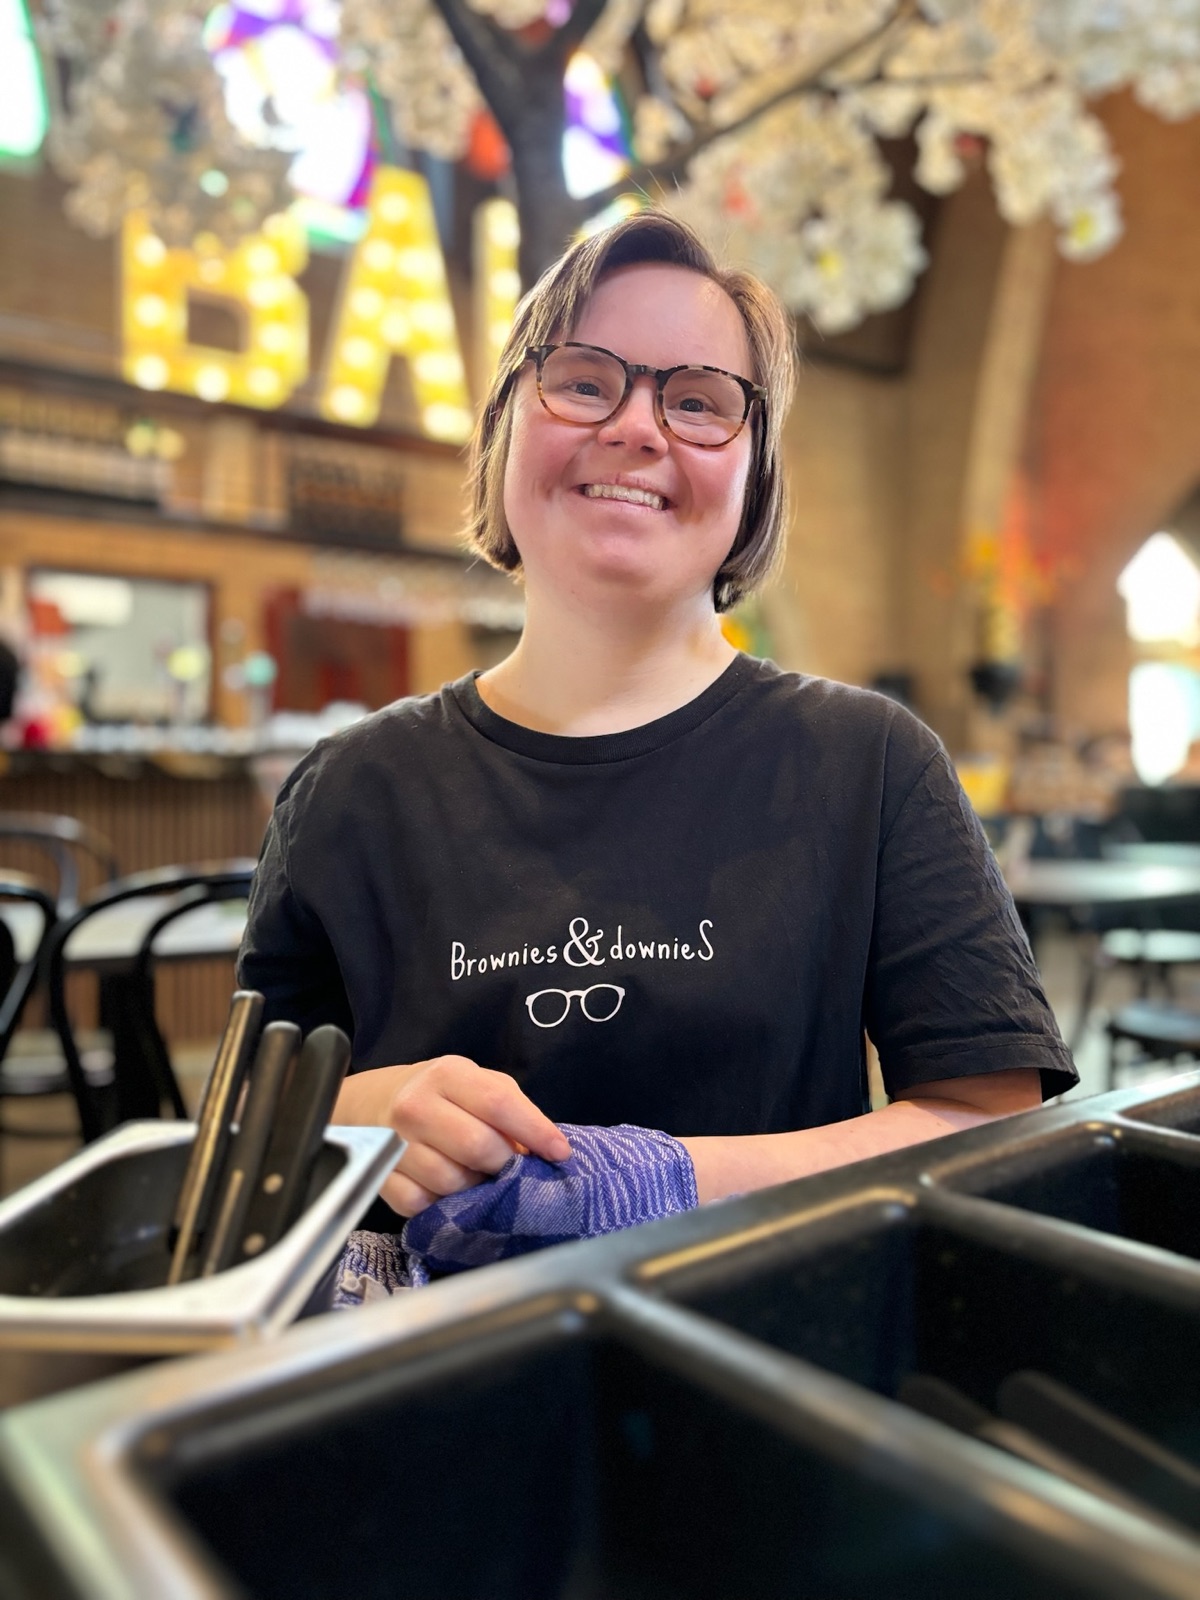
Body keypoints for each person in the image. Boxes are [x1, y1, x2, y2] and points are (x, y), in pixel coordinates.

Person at [238, 210, 1075, 1274]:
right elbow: (242, 1138)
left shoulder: (869, 763)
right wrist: (360, 1114)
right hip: (436, 1366)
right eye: (584, 381)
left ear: (755, 475)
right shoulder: (350, 789)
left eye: (698, 401)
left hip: (765, 1343)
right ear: (502, 433)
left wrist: (668, 1184)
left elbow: (991, 1124)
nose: (638, 427)